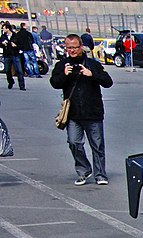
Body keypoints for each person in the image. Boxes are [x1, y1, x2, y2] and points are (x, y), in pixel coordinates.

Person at [50, 33, 113, 186]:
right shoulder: (62, 65)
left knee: (97, 145)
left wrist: (91, 74)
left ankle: (100, 174)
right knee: (74, 143)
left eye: (75, 47)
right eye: (68, 47)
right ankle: (83, 170)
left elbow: (108, 82)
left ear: (81, 47)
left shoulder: (92, 64)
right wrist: (64, 75)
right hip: (73, 113)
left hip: (93, 111)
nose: (72, 50)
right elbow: (54, 82)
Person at [2, 24, 25, 91]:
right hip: (7, 55)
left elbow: (21, 45)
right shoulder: (3, 36)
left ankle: (22, 85)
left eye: (4, 28)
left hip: (15, 54)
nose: (3, 30)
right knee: (7, 70)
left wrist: (16, 46)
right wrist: (2, 43)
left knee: (19, 70)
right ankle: (10, 81)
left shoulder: (16, 36)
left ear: (8, 29)